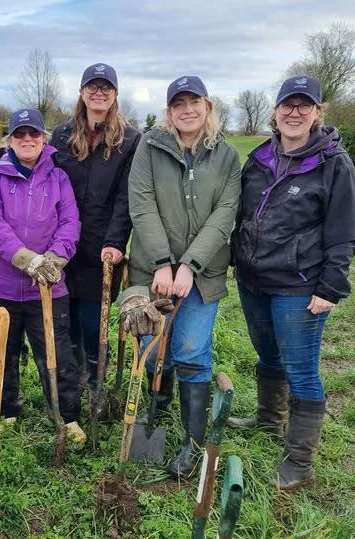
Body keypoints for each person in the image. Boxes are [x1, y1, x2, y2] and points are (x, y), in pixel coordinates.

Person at [227, 75, 355, 490]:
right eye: (288, 104)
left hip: (299, 287)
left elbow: (344, 232)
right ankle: (269, 420)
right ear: (276, 110)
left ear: (318, 112)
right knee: (268, 354)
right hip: (253, 280)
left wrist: (330, 287)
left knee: (302, 371)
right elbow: (241, 214)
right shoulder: (261, 156)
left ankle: (300, 464)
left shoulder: (333, 163)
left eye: (305, 105)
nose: (295, 112)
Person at [119, 76, 241, 478]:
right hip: (150, 271)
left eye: (194, 102)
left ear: (207, 107)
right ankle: (153, 414)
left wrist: (189, 265)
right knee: (153, 352)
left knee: (190, 350)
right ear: (169, 111)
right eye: (178, 103)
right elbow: (141, 203)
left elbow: (225, 213)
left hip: (202, 275)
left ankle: (191, 443)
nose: (187, 109)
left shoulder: (226, 156)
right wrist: (161, 262)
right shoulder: (149, 149)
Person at [0, 108, 86, 443]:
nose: (27, 140)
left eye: (33, 134)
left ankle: (66, 415)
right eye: (19, 134)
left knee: (56, 350)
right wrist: (26, 259)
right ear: (9, 140)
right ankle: (6, 409)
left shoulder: (58, 177)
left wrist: (54, 259)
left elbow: (70, 222)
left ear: (43, 138)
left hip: (47, 284)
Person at [50, 63, 141, 392]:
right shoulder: (60, 135)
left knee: (93, 320)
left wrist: (116, 241)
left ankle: (95, 380)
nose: (98, 91)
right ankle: (69, 379)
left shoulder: (130, 140)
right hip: (61, 242)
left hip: (102, 244)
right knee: (65, 317)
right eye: (92, 85)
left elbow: (126, 196)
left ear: (115, 94)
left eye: (106, 87)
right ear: (81, 91)